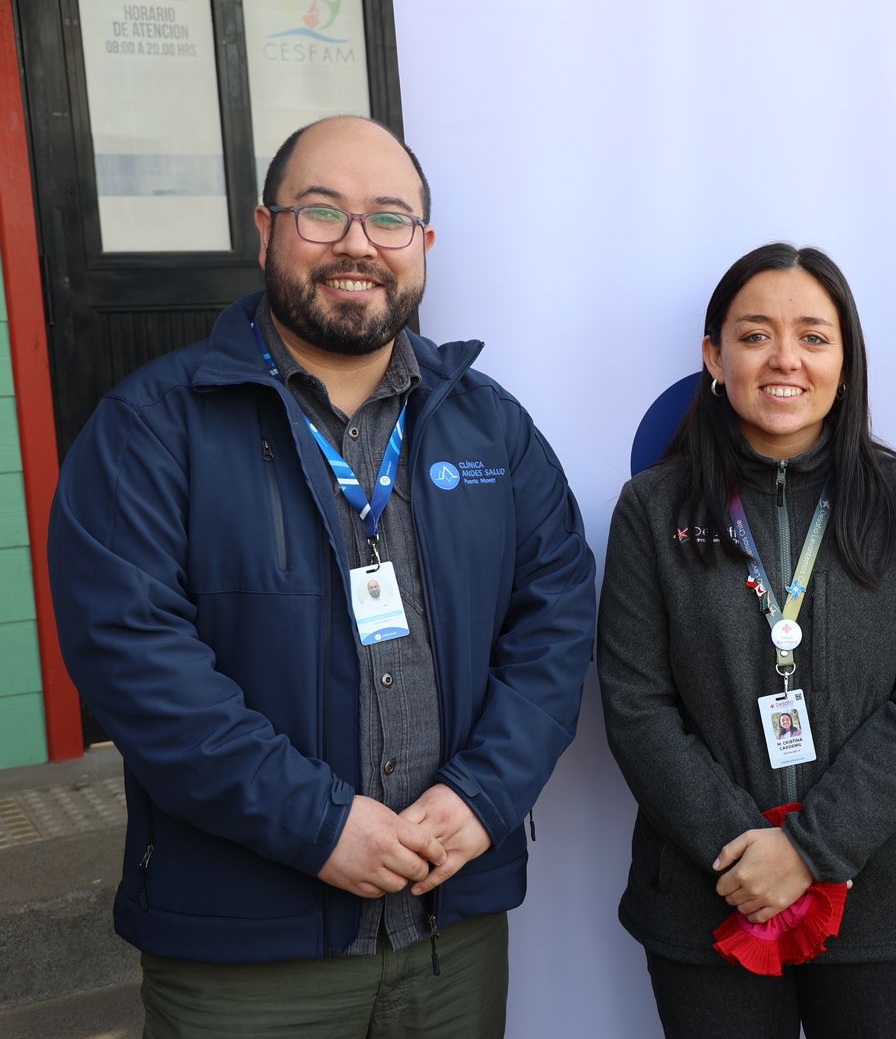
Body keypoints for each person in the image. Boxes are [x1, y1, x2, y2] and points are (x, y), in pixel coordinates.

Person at [47, 116, 596, 1038]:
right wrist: (319, 825)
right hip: (246, 956)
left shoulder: (491, 429)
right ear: (265, 229)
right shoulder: (151, 428)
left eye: (389, 218)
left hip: (449, 932)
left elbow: (557, 622)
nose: (357, 244)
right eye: (321, 212)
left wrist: (484, 796)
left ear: (423, 245)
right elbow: (135, 663)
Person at [598, 243, 896, 1039]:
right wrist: (742, 850)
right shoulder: (650, 509)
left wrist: (808, 849)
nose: (785, 359)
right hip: (710, 897)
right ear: (714, 356)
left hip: (885, 904)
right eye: (756, 334)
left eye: (813, 335)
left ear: (846, 360)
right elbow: (637, 708)